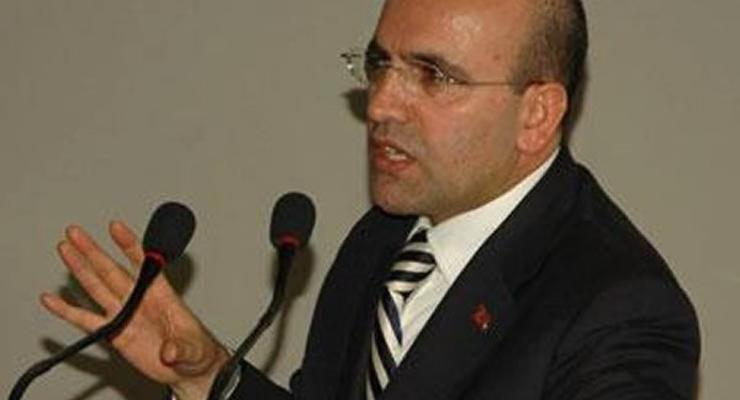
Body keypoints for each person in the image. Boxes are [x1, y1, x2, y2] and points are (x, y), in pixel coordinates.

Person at [40, 0, 700, 399]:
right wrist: (210, 376)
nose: (381, 104)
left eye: (433, 75)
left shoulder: (621, 309)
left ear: (537, 114)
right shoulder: (382, 239)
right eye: (381, 64)